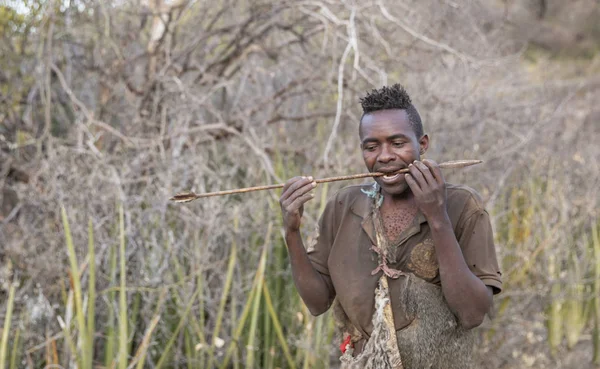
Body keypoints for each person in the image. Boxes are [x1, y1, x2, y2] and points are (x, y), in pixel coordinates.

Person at [279, 84, 502, 369]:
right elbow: (317, 302)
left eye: (398, 143)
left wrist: (437, 216)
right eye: (372, 147)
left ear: (422, 145)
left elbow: (472, 314)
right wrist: (292, 233)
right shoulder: (344, 205)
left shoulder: (461, 205)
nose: (384, 157)